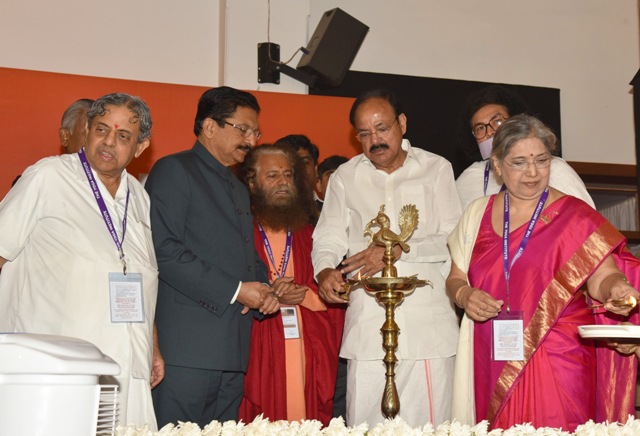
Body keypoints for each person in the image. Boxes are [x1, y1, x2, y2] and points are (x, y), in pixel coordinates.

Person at [447, 114, 640, 432]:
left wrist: (617, 287)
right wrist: (464, 295)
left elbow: (602, 276)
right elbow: (455, 278)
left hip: (559, 356)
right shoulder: (476, 214)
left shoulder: (575, 215)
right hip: (491, 354)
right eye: (519, 162)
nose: (533, 172)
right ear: (497, 164)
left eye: (542, 160)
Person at [0, 93, 162, 429]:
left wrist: (152, 346)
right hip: (56, 370)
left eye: (123, 136)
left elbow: (137, 275)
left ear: (140, 147)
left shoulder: (138, 196)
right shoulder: (48, 176)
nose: (109, 142)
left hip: (128, 367)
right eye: (101, 129)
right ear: (87, 130)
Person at [312, 89, 462, 427]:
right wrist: (324, 270)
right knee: (365, 426)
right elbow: (328, 236)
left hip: (427, 327)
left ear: (402, 123)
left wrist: (396, 251)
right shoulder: (346, 176)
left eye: (382, 128)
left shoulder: (436, 168)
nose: (375, 140)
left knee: (432, 428)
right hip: (368, 324)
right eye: (364, 134)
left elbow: (454, 239)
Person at [146, 86, 285, 428]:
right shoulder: (174, 170)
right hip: (187, 350)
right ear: (210, 126)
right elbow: (163, 250)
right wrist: (238, 291)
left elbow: (245, 254)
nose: (250, 140)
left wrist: (265, 289)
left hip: (232, 349)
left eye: (255, 132)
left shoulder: (237, 186)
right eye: (243, 129)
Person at [237, 144, 341, 425]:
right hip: (258, 342)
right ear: (251, 182)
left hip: (304, 342)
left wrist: (303, 294)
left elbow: (333, 292)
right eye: (272, 176)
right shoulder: (240, 231)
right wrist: (263, 293)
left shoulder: (308, 232)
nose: (283, 182)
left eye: (287, 175)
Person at [455, 85, 594, 211]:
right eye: (480, 128)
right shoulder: (470, 178)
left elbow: (585, 221)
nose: (490, 131)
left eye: (497, 121)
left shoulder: (554, 168)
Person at [275, 134, 321, 217]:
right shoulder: (263, 214)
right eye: (290, 163)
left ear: (316, 170)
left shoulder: (331, 211)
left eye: (304, 162)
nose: (299, 169)